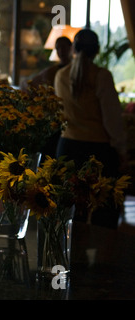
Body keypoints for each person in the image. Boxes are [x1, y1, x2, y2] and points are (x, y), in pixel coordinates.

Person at [54, 29, 126, 228]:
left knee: (70, 209)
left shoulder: (60, 75)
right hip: (98, 152)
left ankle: (73, 254)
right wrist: (121, 149)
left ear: (73, 49)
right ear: (97, 50)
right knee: (104, 209)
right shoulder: (102, 76)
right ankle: (104, 255)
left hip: (67, 147)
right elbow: (112, 120)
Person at [22, 36, 73, 160]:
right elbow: (27, 84)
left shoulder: (76, 70)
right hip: (55, 119)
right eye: (58, 48)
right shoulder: (51, 71)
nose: (61, 51)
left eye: (64, 48)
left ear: (70, 48)